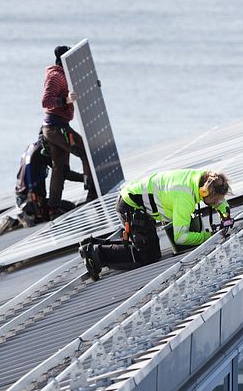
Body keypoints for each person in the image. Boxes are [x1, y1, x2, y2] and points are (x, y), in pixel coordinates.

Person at [78, 169, 231, 280]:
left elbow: (216, 195)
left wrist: (225, 212)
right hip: (130, 206)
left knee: (151, 249)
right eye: (216, 199)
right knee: (147, 256)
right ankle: (96, 253)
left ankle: (96, 245)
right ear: (204, 192)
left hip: (140, 205)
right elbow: (181, 237)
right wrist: (209, 236)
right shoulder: (185, 198)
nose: (217, 202)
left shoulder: (199, 178)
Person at [41, 45, 97, 218]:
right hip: (56, 128)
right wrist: (65, 100)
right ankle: (92, 193)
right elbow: (45, 102)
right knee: (86, 151)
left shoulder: (66, 76)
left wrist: (94, 86)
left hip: (56, 127)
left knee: (60, 167)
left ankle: (53, 206)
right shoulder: (56, 76)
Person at [14, 136, 82, 227]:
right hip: (32, 203)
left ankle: (27, 214)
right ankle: (32, 215)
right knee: (70, 208)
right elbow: (64, 173)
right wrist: (85, 178)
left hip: (21, 200)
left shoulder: (32, 148)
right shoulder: (43, 153)